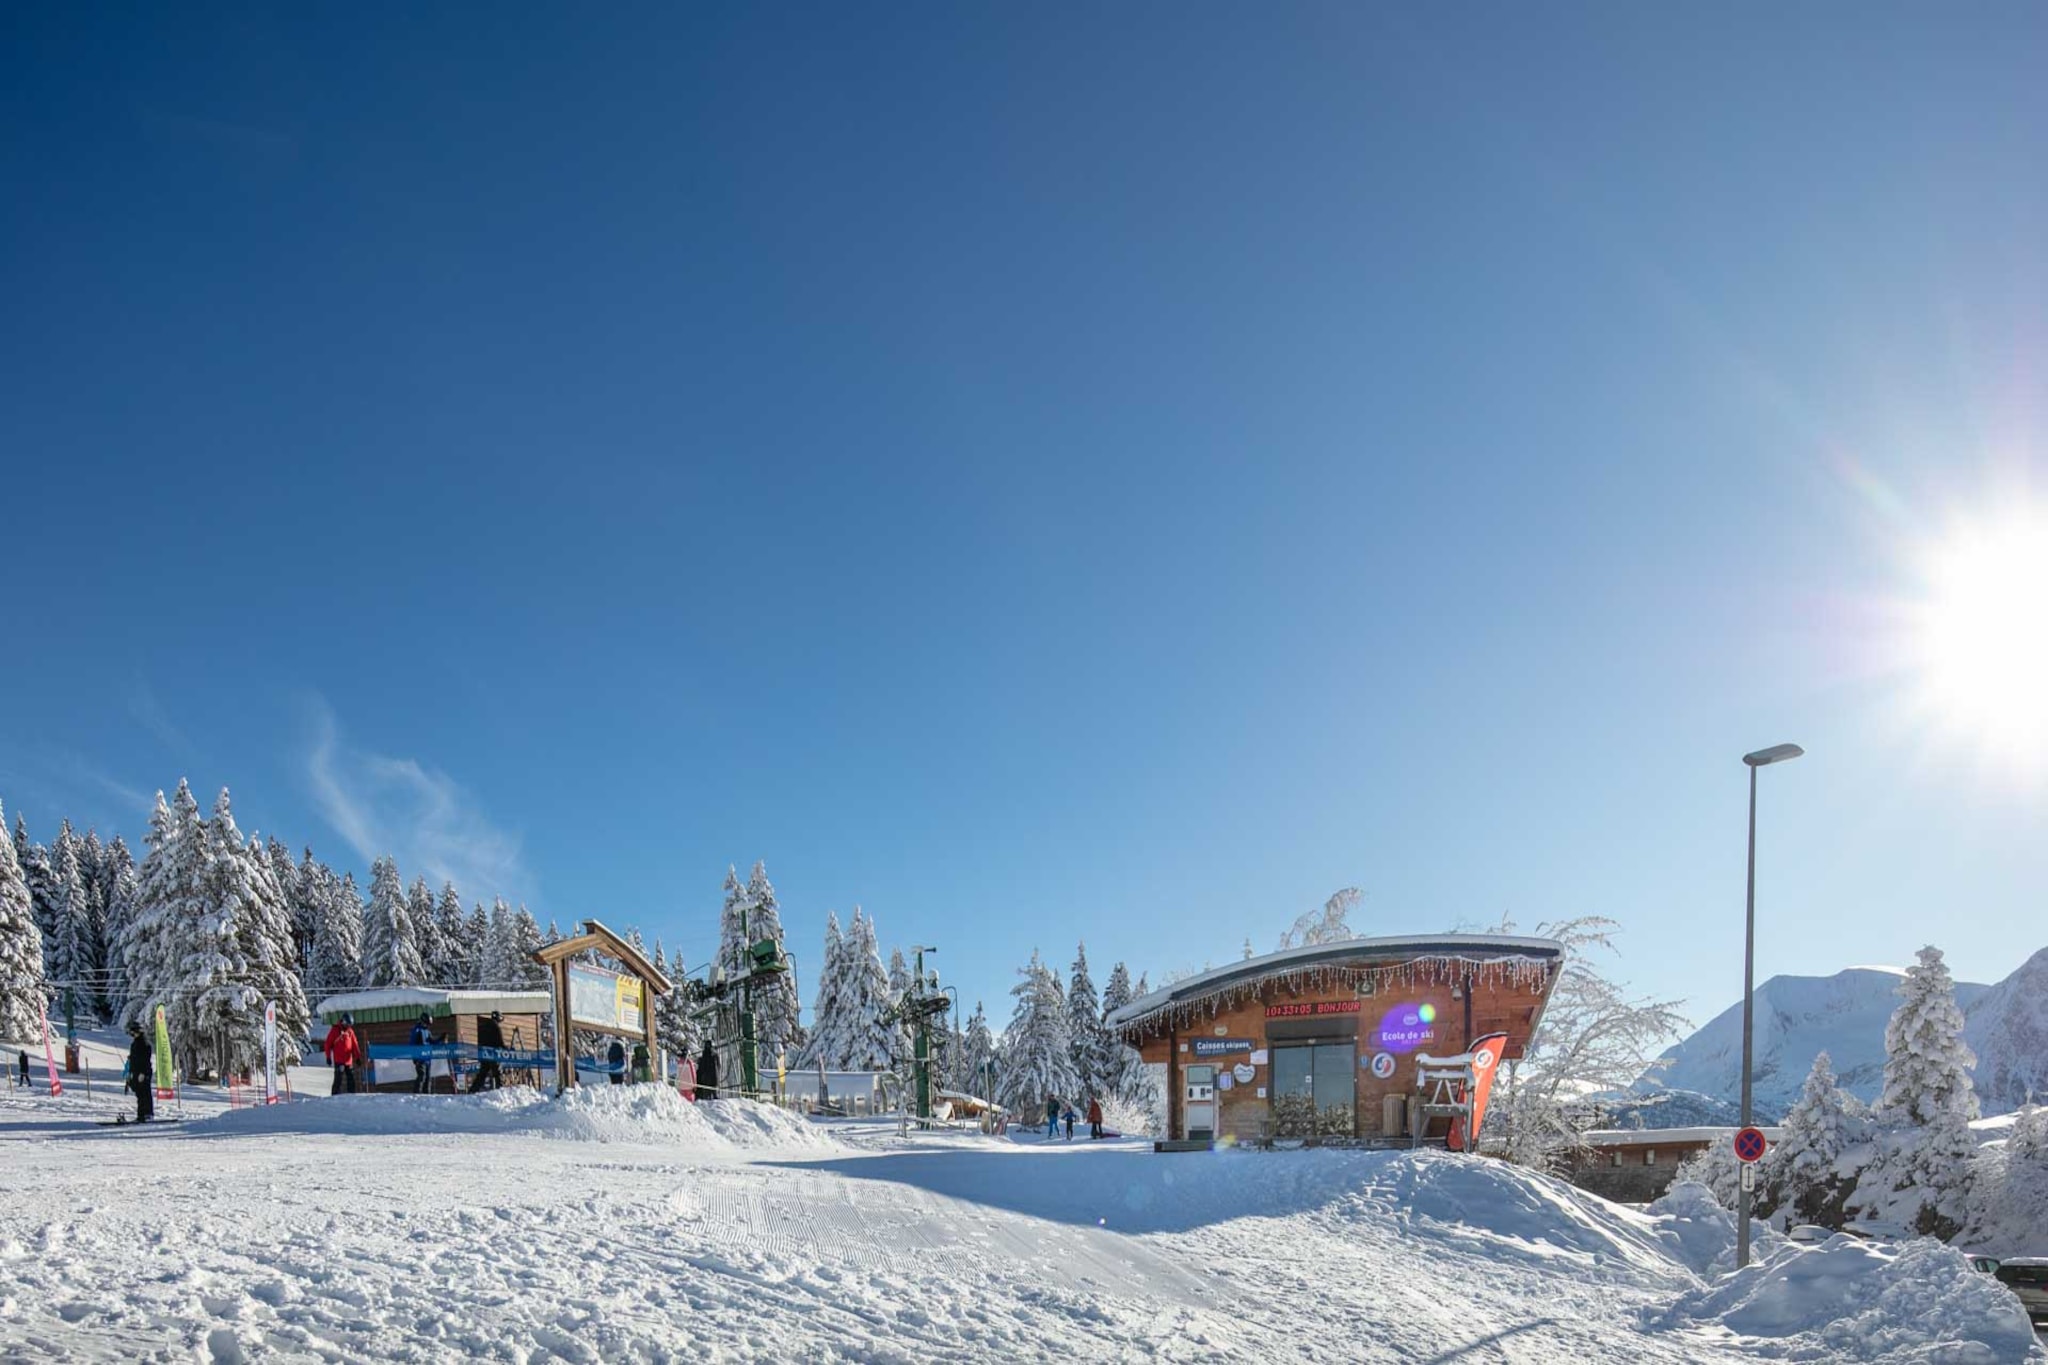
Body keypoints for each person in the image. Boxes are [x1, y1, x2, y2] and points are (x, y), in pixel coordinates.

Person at [124, 1023, 154, 1123]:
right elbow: (133, 1059)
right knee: (139, 1094)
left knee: (145, 1093)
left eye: (134, 1033)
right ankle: (140, 1115)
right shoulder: (134, 1044)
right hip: (135, 1072)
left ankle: (148, 1114)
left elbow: (145, 1059)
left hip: (143, 1072)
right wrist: (130, 1072)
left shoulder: (144, 1043)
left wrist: (143, 1073)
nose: (133, 1035)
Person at [327, 1014, 363, 1095]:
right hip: (339, 1060)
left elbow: (355, 1045)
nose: (348, 1027)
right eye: (347, 1025)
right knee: (338, 1079)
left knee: (351, 1079)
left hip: (348, 1061)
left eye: (350, 1025)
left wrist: (358, 1057)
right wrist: (328, 1057)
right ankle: (334, 1095)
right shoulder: (335, 1030)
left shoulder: (350, 1032)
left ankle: (352, 1095)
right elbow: (327, 1044)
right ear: (343, 1022)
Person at [472, 1010, 505, 1092]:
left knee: (482, 1073)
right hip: (493, 1053)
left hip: (484, 1053)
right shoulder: (496, 1026)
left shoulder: (484, 1026)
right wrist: (505, 1048)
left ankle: (474, 1089)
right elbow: (499, 1040)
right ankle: (500, 1089)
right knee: (497, 1072)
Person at [409, 1012, 437, 1094]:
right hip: (420, 1058)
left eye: (428, 1025)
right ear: (422, 1021)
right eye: (426, 1024)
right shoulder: (417, 1030)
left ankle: (426, 1095)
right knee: (422, 1076)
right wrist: (415, 1058)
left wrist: (441, 1039)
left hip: (427, 1058)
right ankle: (417, 1094)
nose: (427, 1026)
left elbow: (432, 1041)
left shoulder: (427, 1031)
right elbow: (412, 1044)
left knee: (428, 1078)